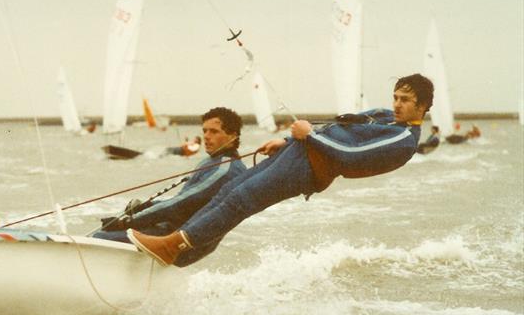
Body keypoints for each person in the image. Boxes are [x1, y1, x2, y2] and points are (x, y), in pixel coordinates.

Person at [127, 73, 434, 267]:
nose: (396, 104)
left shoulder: (404, 140)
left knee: (240, 199)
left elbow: (350, 155)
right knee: (228, 192)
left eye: (405, 100)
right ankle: (173, 241)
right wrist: (287, 140)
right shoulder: (386, 117)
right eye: (396, 97)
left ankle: (175, 248)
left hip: (308, 169)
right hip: (297, 152)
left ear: (422, 107)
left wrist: (308, 135)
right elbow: (337, 128)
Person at [93, 107, 247, 264]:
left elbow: (181, 204)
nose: (206, 137)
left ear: (232, 136)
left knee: (100, 237)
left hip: (179, 241)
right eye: (205, 131)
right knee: (106, 232)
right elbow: (183, 201)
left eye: (214, 132)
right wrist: (146, 206)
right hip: (174, 232)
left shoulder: (225, 169)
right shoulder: (214, 162)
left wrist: (129, 221)